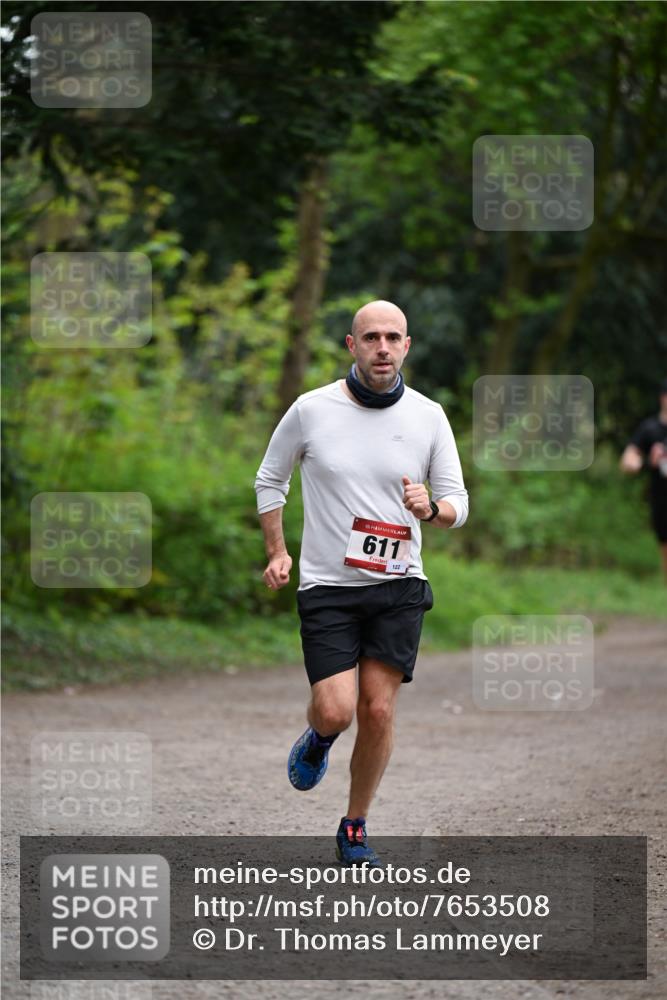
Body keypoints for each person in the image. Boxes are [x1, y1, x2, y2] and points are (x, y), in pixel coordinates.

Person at [254, 300, 468, 865]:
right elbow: (270, 478)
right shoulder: (311, 409)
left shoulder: (428, 416)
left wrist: (432, 509)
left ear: (407, 346)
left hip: (398, 584)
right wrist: (278, 551)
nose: (382, 347)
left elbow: (458, 502)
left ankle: (354, 825)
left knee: (378, 710)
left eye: (392, 337)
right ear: (351, 345)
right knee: (336, 710)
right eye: (370, 337)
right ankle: (319, 739)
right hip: (328, 587)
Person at [620, 378, 667, 583]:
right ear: (663, 398)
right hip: (662, 500)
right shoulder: (649, 429)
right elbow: (628, 459)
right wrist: (640, 462)